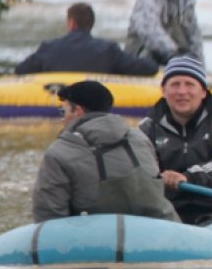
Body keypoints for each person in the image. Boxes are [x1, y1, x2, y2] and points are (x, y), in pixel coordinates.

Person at [31, 80, 178, 223]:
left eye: (64, 111)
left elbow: (48, 217)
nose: (62, 119)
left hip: (104, 242)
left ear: (78, 111)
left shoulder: (59, 152)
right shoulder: (140, 138)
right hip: (165, 233)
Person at [138, 56, 212, 225]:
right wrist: (158, 178)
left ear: (203, 91)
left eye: (189, 84)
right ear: (164, 91)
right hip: (169, 213)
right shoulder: (147, 128)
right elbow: (141, 173)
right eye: (175, 84)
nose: (182, 92)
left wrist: (188, 177)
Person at [14, 3, 159, 76]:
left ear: (71, 23)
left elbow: (20, 70)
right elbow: (148, 69)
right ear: (91, 24)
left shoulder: (48, 48)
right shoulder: (108, 50)